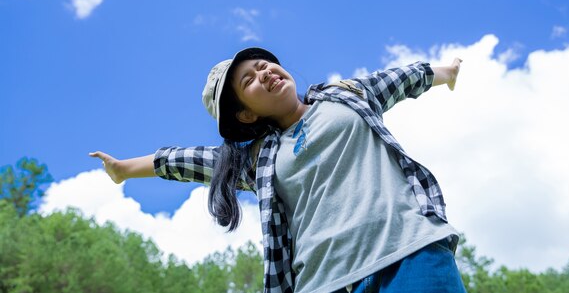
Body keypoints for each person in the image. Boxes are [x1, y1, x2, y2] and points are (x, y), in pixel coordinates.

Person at [90, 47, 466, 293]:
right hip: (325, 283)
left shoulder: (345, 94)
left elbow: (401, 78)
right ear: (246, 114)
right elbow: (187, 161)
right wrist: (124, 169)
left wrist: (444, 72)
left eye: (262, 65)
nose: (263, 72)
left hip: (410, 253)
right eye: (248, 80)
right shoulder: (258, 161)